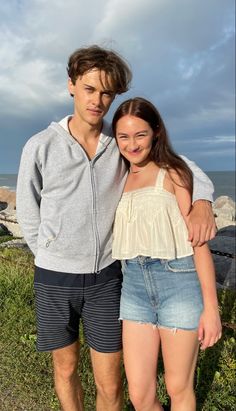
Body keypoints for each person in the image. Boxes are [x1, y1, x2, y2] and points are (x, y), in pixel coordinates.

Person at [16, 45, 216, 411]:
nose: (98, 100)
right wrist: (49, 250)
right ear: (72, 85)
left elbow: (180, 164)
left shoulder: (121, 142)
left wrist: (202, 200)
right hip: (53, 277)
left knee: (111, 381)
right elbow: (29, 212)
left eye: (107, 92)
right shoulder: (40, 146)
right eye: (90, 89)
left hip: (107, 279)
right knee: (65, 368)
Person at [112, 97, 222, 411]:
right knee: (140, 396)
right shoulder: (117, 176)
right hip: (133, 285)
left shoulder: (174, 172)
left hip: (179, 281)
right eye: (124, 136)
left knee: (178, 387)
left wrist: (211, 309)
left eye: (140, 134)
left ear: (156, 132)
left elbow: (198, 243)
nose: (132, 144)